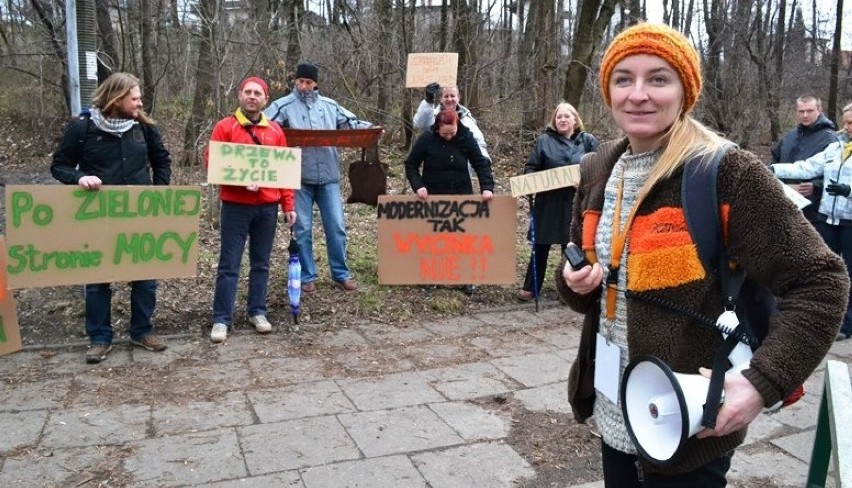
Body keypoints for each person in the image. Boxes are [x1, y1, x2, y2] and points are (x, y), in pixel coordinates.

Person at [557, 23, 848, 486]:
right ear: (607, 89)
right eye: (623, 79)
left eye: (658, 78)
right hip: (614, 410)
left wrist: (761, 383)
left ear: (685, 91)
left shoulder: (724, 171)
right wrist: (574, 283)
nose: (638, 94)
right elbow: (581, 278)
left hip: (694, 421)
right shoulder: (598, 168)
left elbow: (822, 280)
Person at [50, 72, 172, 364]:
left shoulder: (143, 128)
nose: (140, 102)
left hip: (140, 216)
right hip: (98, 217)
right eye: (134, 98)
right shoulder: (82, 128)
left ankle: (141, 331)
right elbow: (59, 166)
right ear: (116, 100)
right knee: (98, 280)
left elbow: (161, 161)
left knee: (145, 277)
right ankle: (99, 338)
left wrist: (159, 195)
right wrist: (80, 178)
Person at [264, 62, 373, 293]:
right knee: (302, 229)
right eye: (301, 81)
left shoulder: (330, 106)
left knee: (336, 226)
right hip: (299, 179)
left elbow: (352, 123)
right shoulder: (283, 106)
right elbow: (262, 127)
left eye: (309, 82)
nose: (304, 86)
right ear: (295, 81)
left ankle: (341, 273)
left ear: (316, 84)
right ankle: (306, 276)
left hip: (329, 177)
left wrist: (372, 129)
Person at [206, 76, 297, 343]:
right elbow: (213, 163)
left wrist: (288, 205)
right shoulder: (225, 127)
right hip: (235, 206)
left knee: (261, 263)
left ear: (265, 99)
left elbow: (284, 173)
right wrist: (239, 180)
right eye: (248, 92)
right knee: (229, 263)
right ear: (240, 95)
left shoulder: (276, 131)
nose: (252, 96)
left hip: (267, 208)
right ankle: (222, 318)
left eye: (258, 93)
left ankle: (257, 311)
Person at [771, 101, 852, 341]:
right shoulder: (835, 147)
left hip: (850, 222)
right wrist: (773, 169)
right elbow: (807, 167)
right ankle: (822, 316)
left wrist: (849, 190)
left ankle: (847, 324)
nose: (848, 127)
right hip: (829, 219)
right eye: (846, 122)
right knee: (822, 269)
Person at [404, 108, 494, 295]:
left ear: (457, 126)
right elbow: (411, 164)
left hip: (461, 196)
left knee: (462, 239)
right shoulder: (427, 138)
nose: (448, 137)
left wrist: (487, 186)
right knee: (435, 239)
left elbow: (480, 163)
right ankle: (432, 276)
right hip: (434, 197)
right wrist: (418, 186)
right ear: (437, 128)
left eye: (451, 133)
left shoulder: (466, 137)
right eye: (444, 134)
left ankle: (465, 278)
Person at [518, 102, 599, 302]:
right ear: (555, 121)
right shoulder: (544, 141)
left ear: (575, 120)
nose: (562, 120)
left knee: (571, 247)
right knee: (540, 247)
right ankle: (531, 287)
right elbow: (531, 168)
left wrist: (585, 184)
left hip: (576, 203)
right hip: (548, 204)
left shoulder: (588, 141)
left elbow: (599, 168)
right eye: (558, 117)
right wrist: (530, 184)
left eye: (566, 116)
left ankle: (569, 290)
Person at [770, 95, 839, 225]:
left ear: (819, 110)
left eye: (809, 111)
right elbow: (774, 160)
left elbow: (836, 173)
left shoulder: (831, 139)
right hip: (784, 201)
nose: (805, 115)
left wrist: (816, 186)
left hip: (813, 210)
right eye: (801, 111)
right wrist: (778, 183)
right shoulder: (790, 136)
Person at [413, 83, 490, 162]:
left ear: (458, 98)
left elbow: (479, 142)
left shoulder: (466, 119)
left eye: (452, 96)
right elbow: (418, 124)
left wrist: (484, 158)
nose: (449, 99)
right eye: (446, 96)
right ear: (441, 99)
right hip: (435, 169)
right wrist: (428, 101)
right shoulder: (433, 116)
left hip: (461, 170)